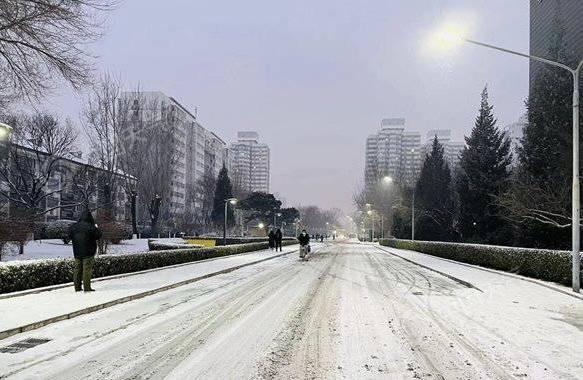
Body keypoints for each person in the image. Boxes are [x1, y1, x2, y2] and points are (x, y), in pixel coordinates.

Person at [69, 210, 102, 292]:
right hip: (89, 252)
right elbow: (98, 235)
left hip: (77, 252)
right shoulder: (91, 226)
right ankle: (87, 288)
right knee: (86, 269)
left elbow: (69, 236)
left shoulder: (74, 226)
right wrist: (96, 228)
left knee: (77, 269)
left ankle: (77, 287)